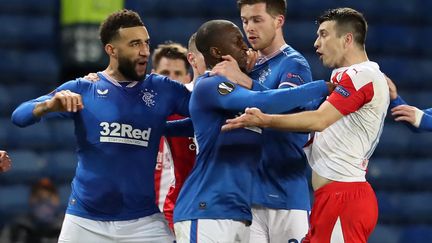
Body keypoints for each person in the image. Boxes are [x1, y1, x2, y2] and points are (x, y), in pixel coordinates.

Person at [11, 9, 192, 242]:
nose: (145, 51)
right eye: (135, 44)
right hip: (84, 222)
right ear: (111, 50)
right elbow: (19, 116)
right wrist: (49, 106)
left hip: (144, 223)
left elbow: (204, 117)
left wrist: (162, 129)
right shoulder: (85, 88)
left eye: (146, 43)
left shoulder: (163, 88)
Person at [223, 8, 388, 242]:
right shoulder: (357, 77)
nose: (316, 43)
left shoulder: (361, 75)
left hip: (343, 196)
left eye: (323, 34)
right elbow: (306, 121)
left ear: (347, 39)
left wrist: (263, 119)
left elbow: (318, 120)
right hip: (332, 196)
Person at [173, 19, 333, 243]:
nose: (245, 46)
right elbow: (264, 101)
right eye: (237, 41)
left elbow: (202, 125)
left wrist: (160, 128)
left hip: (238, 212)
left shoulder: (231, 93)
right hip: (206, 209)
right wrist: (322, 87)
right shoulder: (212, 85)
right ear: (218, 52)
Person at [212, 1, 316, 241]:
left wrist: (244, 81)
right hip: (248, 195)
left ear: (279, 21)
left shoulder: (293, 64)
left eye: (257, 20)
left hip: (285, 195)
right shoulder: (248, 66)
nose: (249, 28)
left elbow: (285, 108)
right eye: (245, 20)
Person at [151, 41, 197, 230]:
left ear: (188, 78)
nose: (170, 80)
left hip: (178, 214)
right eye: (165, 74)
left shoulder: (195, 119)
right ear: (153, 76)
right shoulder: (138, 114)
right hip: (141, 218)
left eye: (177, 74)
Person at [0, 178, 63, 243]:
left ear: (57, 201)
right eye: (39, 198)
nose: (44, 202)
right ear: (30, 200)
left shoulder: (67, 226)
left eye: (49, 197)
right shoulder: (16, 227)